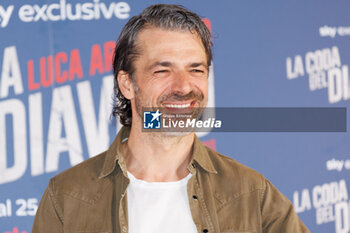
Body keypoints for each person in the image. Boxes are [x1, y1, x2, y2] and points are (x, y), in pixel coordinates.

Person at [32, 4, 310, 233]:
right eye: (163, 71)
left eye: (196, 70)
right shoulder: (66, 197)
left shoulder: (252, 193)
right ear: (127, 84)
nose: (184, 87)